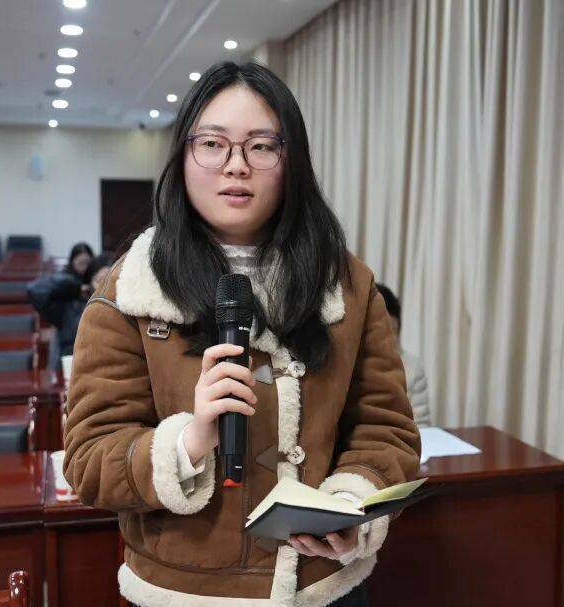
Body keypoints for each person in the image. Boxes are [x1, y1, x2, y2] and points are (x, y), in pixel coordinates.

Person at [63, 62, 420, 607]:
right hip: (184, 593)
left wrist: (352, 506)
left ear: (291, 160)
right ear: (183, 157)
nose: (236, 165)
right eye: (213, 144)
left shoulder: (346, 285)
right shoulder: (130, 289)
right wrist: (189, 439)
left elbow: (386, 429)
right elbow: (89, 459)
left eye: (261, 146)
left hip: (321, 588)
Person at [27, 251, 115, 370]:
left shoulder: (124, 309)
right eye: (100, 281)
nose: (105, 287)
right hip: (74, 369)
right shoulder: (70, 307)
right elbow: (34, 289)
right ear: (89, 284)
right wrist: (75, 286)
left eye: (111, 281)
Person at [375, 283, 432, 427]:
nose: (387, 338)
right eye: (380, 331)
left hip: (401, 439)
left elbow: (422, 426)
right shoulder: (348, 366)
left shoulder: (412, 369)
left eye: (393, 330)